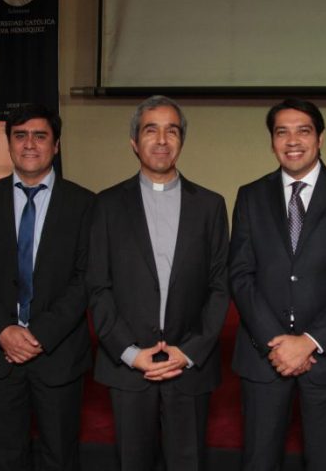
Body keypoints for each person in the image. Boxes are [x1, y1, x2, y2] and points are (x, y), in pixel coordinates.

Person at [229, 98, 326, 471]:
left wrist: (309, 342)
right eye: (282, 132)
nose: (293, 140)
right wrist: (276, 343)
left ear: (320, 138)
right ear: (272, 141)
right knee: (258, 461)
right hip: (265, 357)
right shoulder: (250, 195)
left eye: (303, 130)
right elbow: (240, 275)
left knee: (325, 462)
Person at [86, 95, 229, 470]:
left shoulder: (210, 206)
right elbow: (98, 288)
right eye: (151, 130)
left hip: (189, 367)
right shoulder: (106, 205)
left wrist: (189, 350)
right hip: (128, 368)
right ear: (134, 142)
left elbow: (219, 287)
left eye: (172, 131)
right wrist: (131, 353)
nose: (162, 140)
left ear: (182, 141)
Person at [0, 103, 94, 470]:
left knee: (60, 453)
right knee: (7, 454)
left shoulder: (84, 203)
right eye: (20, 136)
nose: (29, 145)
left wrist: (38, 334)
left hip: (57, 353)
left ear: (56, 146)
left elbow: (86, 278)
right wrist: (3, 330)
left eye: (40, 136)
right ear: (8, 143)